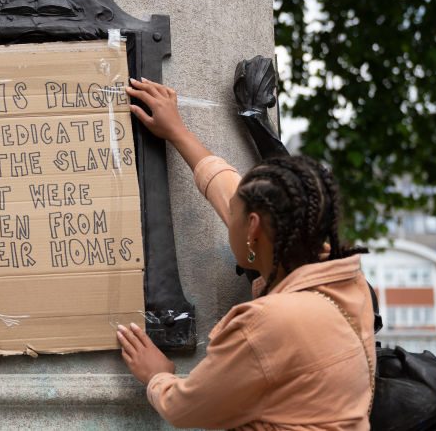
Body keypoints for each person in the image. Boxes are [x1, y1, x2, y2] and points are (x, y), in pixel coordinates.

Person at [117, 77, 376, 430]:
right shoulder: (346, 284)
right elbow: (228, 190)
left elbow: (186, 407)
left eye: (234, 216)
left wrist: (158, 376)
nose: (228, 217)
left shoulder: (268, 324)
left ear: (253, 227)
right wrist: (178, 132)